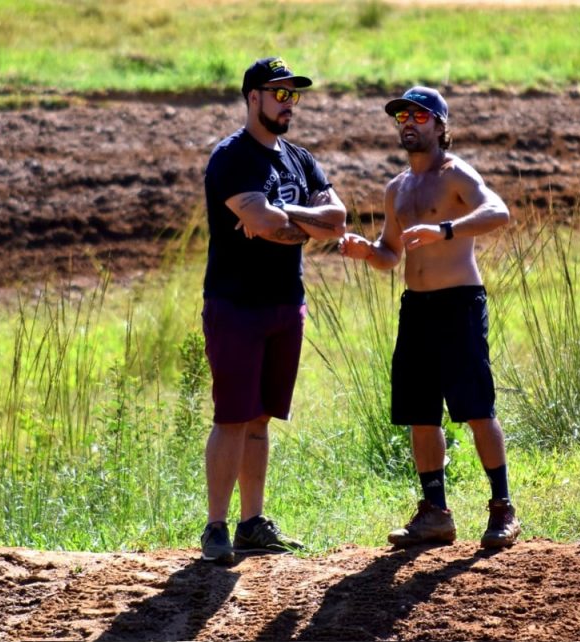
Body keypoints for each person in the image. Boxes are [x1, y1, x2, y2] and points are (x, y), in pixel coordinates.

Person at [339, 87, 520, 549]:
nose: (408, 122)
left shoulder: (455, 173)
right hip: (416, 308)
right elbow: (390, 254)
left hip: (459, 302)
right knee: (421, 414)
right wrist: (366, 251)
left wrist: (446, 230)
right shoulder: (397, 188)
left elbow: (498, 211)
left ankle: (502, 509)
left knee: (477, 409)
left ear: (440, 126)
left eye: (419, 116)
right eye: (402, 115)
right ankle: (436, 514)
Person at [200, 57, 347, 564]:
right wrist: (290, 221)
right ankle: (216, 527)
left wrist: (286, 216)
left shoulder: (300, 159)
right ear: (252, 97)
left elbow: (337, 219)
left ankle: (252, 524)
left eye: (293, 95)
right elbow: (264, 222)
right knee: (232, 417)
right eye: (278, 94)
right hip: (235, 305)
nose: (288, 104)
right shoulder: (231, 158)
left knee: (261, 418)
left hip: (287, 303)